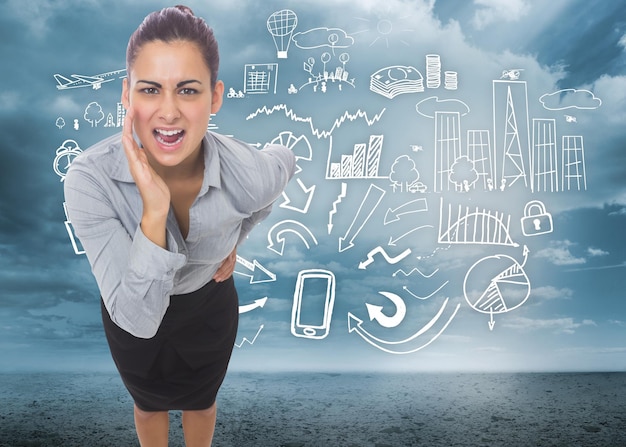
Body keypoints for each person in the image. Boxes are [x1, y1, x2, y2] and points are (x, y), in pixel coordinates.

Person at [64, 5, 296, 446]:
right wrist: (154, 211)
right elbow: (138, 319)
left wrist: (237, 239)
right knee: (148, 403)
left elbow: (284, 166)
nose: (168, 112)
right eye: (150, 89)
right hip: (131, 309)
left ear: (214, 97)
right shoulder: (89, 179)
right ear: (127, 95)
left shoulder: (246, 172)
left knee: (202, 401)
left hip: (209, 306)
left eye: (187, 90)